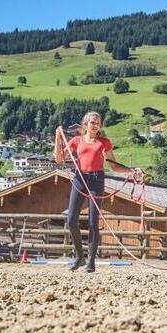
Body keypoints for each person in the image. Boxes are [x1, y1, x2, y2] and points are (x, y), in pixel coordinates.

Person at [53, 111, 135, 272]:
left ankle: (91, 260)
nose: (96, 125)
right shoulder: (76, 140)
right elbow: (59, 159)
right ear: (85, 124)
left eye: (98, 122)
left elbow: (113, 166)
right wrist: (57, 138)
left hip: (97, 180)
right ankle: (80, 257)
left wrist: (131, 171)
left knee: (92, 222)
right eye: (93, 122)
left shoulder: (104, 142)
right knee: (71, 221)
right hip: (80, 178)